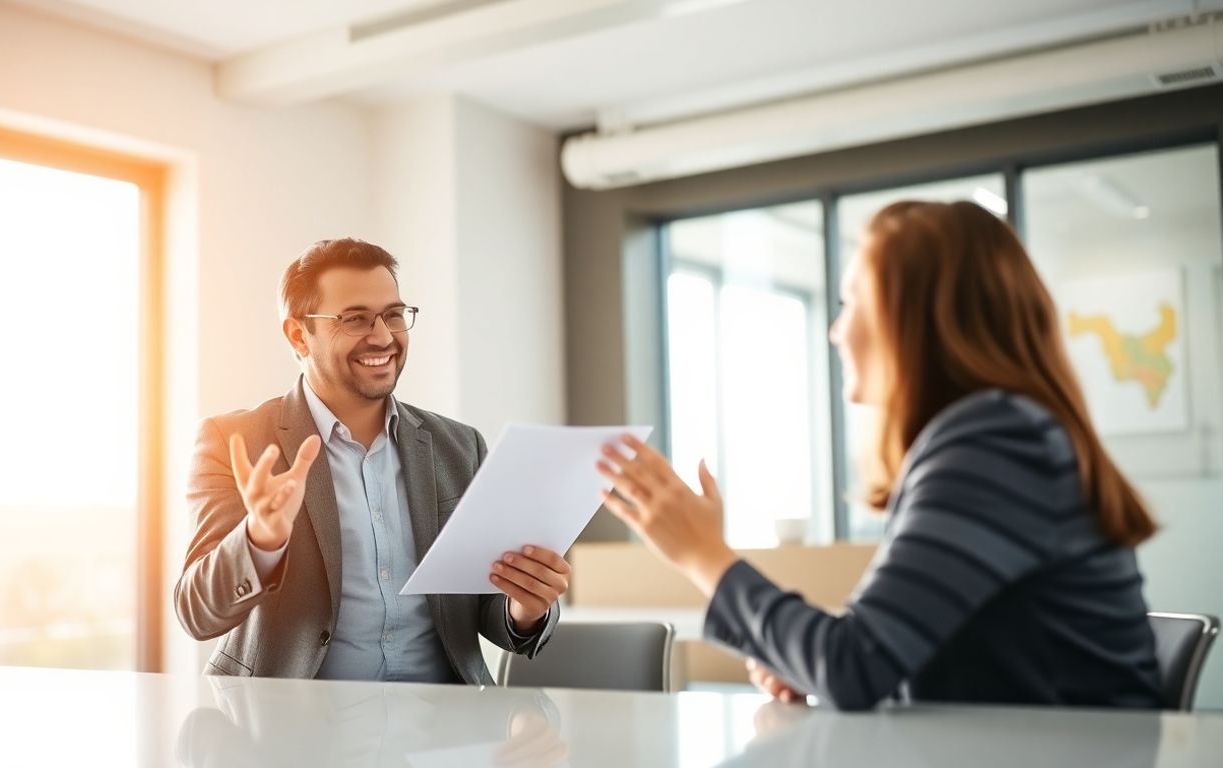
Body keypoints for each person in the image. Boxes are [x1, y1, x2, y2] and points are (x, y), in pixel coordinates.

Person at [598, 201, 1164, 710]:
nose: (835, 331)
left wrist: (704, 556)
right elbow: (887, 652)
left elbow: (854, 663)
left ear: (911, 316)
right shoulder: (996, 434)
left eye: (852, 302)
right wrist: (804, 660)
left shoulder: (994, 443)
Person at [174, 238, 569, 683]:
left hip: (441, 732)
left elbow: (484, 608)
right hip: (294, 733)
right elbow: (196, 613)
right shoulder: (234, 441)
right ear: (299, 334)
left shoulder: (460, 447)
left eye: (394, 315)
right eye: (355, 319)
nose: (382, 337)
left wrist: (525, 607)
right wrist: (259, 539)